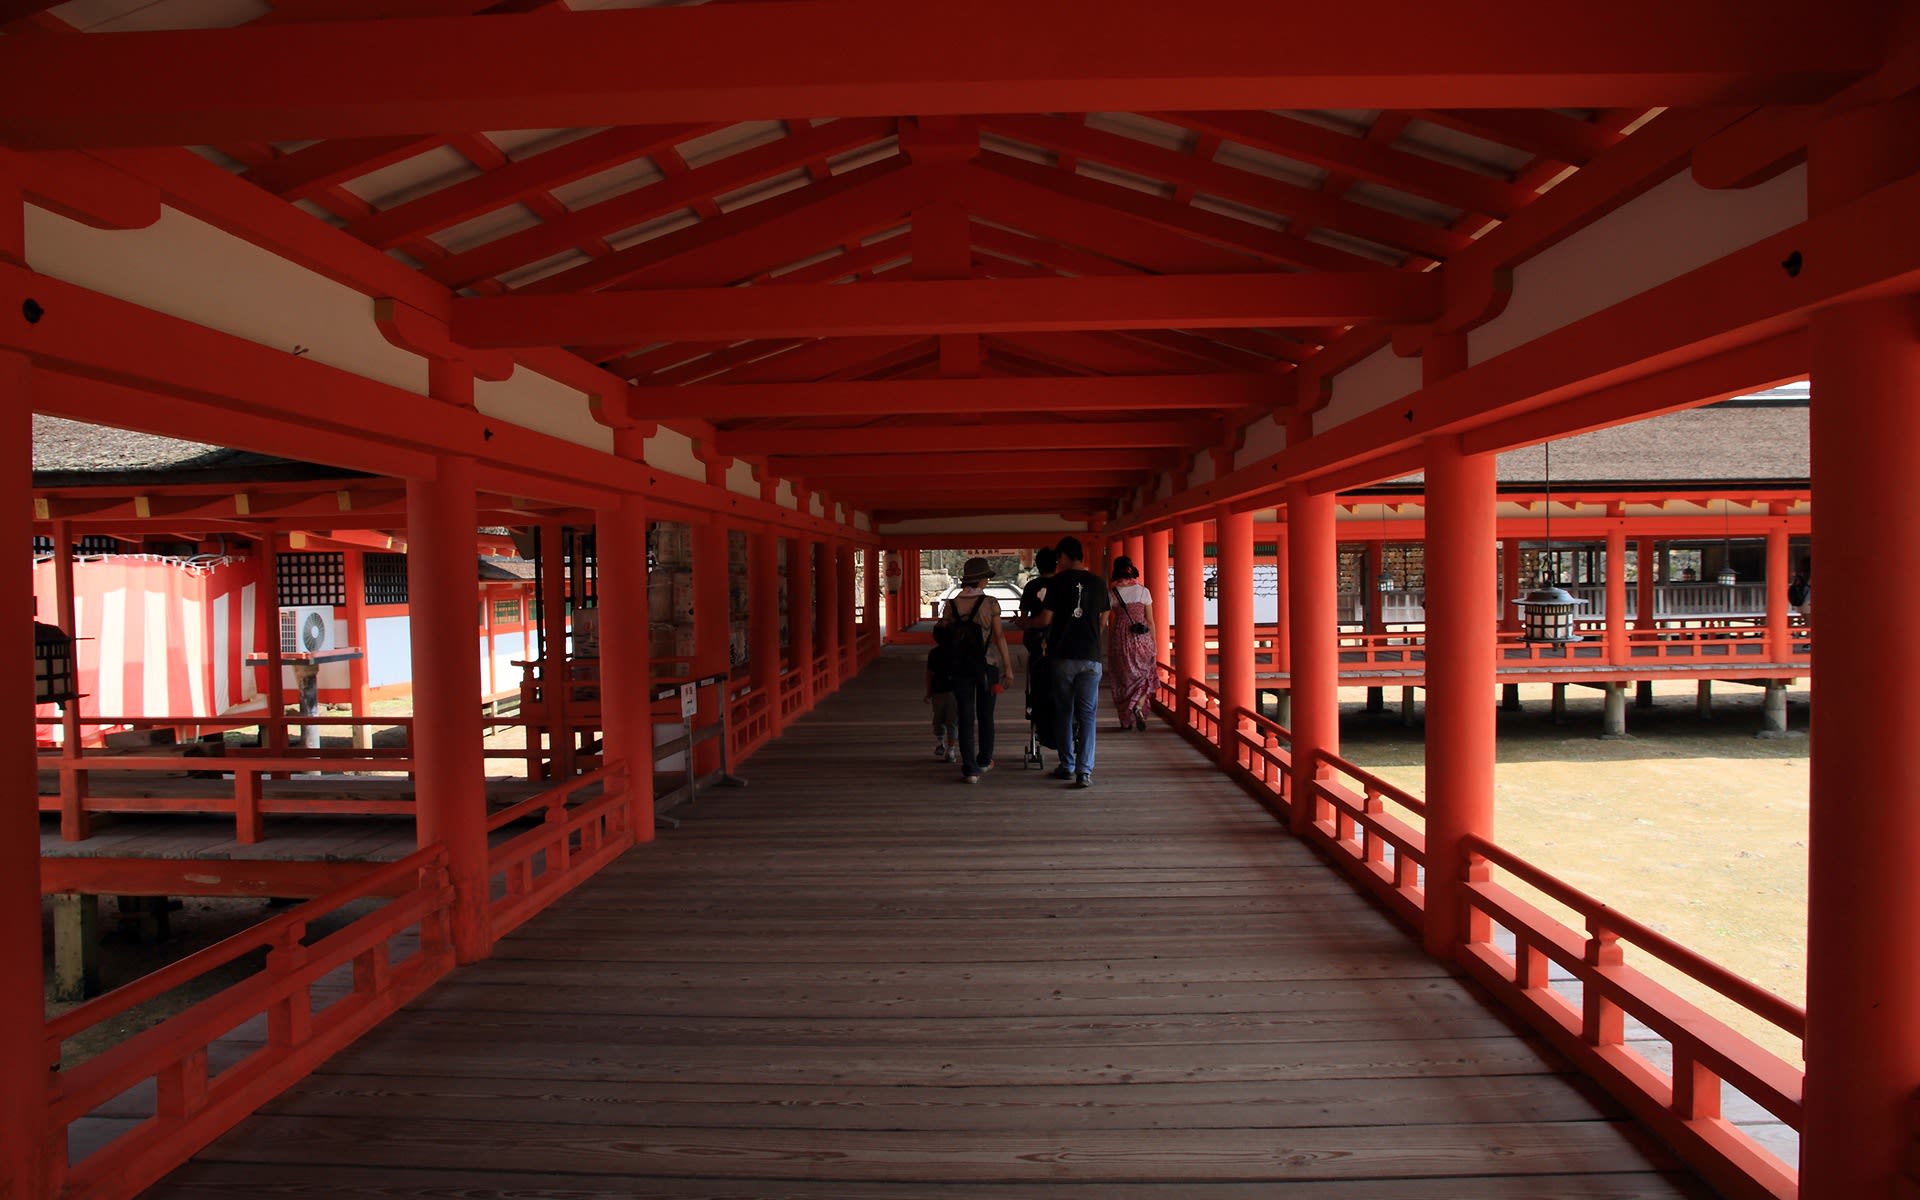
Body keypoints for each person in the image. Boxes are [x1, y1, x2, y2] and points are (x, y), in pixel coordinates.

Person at [1033, 536, 1110, 788]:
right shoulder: (1098, 584)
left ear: (1065, 557)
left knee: (1064, 711)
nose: (1058, 562)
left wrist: (1025, 624)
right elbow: (1102, 621)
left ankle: (1067, 765)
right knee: (1087, 715)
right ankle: (1084, 771)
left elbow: (1045, 620)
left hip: (1063, 655)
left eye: (1059, 558)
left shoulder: (1057, 583)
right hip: (1090, 657)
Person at [940, 556, 1016, 784]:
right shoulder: (990, 603)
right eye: (985, 577)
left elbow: (943, 636)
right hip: (987, 665)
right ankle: (984, 760)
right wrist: (1008, 668)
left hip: (960, 667)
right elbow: (999, 636)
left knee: (965, 715)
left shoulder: (951, 604)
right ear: (981, 579)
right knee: (985, 715)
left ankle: (970, 769)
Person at [1015, 547, 1061, 763]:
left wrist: (1025, 624)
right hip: (1062, 642)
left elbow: (1024, 617)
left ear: (1038, 565)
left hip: (1036, 644)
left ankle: (1039, 723)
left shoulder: (1032, 586)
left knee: (1038, 682)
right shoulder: (1064, 585)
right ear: (1057, 564)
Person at [1106, 555, 1155, 732]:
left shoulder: (1112, 593)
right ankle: (1139, 705)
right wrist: (1153, 644)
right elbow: (1150, 621)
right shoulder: (1144, 592)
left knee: (1123, 680)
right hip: (1142, 639)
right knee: (1145, 675)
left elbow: (1106, 622)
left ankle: (1125, 721)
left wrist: (1107, 644)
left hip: (1120, 639)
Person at [924, 623, 958, 763]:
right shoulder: (937, 653)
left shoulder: (936, 653)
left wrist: (928, 692)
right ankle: (944, 745)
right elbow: (930, 674)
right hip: (944, 691)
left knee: (944, 720)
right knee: (948, 721)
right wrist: (929, 692)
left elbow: (929, 674)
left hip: (948, 691)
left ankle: (948, 748)